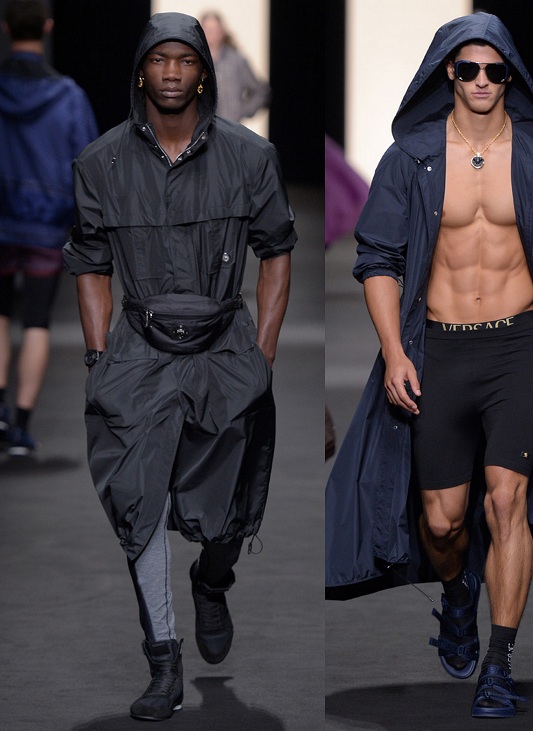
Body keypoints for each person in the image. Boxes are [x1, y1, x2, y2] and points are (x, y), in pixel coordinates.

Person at [323, 13, 533, 720]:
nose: (483, 80)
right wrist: (394, 351)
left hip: (520, 347)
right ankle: (458, 589)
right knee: (443, 520)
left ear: (510, 74)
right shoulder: (412, 158)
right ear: (448, 75)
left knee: (507, 501)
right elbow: (378, 258)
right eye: (469, 69)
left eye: (495, 69)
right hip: (440, 350)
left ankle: (499, 662)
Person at [63, 12, 295, 721]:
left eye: (185, 60)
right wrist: (99, 357)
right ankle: (163, 660)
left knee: (227, 511)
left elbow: (277, 250)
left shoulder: (250, 157)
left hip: (223, 347)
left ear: (204, 73)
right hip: (137, 350)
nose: (171, 72)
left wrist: (262, 357)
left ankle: (212, 580)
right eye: (159, 59)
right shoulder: (100, 162)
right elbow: (90, 262)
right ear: (141, 70)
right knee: (140, 504)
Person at [0, 0, 97, 456]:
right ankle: (20, 425)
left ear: (5, 28)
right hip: (45, 224)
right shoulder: (69, 97)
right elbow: (87, 164)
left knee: (0, 314)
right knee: (37, 321)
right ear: (48, 26)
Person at [199, 10, 269, 124]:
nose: (212, 34)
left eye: (215, 29)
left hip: (230, 126)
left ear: (222, 32)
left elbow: (260, 91)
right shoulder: (195, 61)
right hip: (203, 127)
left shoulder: (236, 61)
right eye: (208, 30)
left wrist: (242, 111)